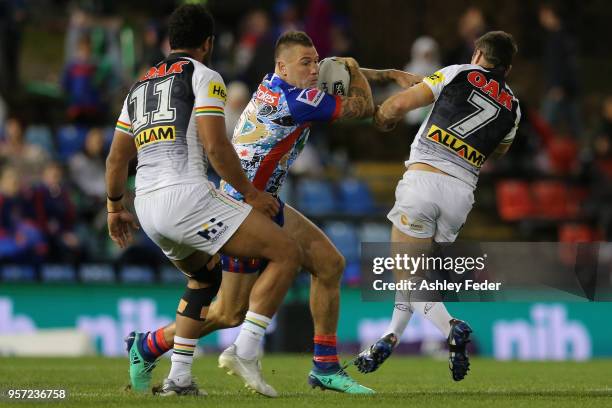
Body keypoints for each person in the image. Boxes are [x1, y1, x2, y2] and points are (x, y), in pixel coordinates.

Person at [126, 30, 421, 395]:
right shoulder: (297, 101)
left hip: (263, 199)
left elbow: (335, 72)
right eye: (306, 63)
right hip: (243, 205)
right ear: (283, 65)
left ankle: (325, 368)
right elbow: (362, 108)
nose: (314, 69)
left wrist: (388, 74)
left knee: (330, 264)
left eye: (316, 61)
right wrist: (355, 67)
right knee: (228, 313)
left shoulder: (277, 84)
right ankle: (152, 345)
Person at [106, 4, 302, 397]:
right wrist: (251, 194)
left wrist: (114, 207)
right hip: (187, 197)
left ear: (170, 41)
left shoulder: (139, 86)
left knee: (204, 277)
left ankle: (177, 377)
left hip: (146, 204)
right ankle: (246, 350)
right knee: (287, 252)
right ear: (209, 43)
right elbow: (215, 146)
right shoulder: (205, 76)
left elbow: (116, 158)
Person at [355, 31, 521, 382]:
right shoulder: (514, 108)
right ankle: (390, 337)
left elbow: (400, 104)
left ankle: (452, 326)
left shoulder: (458, 72)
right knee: (412, 275)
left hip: (423, 181)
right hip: (461, 195)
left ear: (478, 53)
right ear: (507, 67)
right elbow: (499, 150)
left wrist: (381, 116)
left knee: (406, 273)